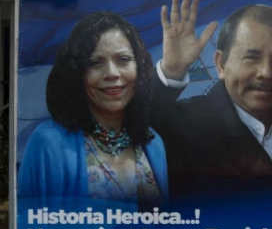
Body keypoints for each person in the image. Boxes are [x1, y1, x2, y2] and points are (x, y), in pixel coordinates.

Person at [150, 0, 272, 199]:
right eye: (251, 57)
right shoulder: (184, 122)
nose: (266, 72)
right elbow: (133, 129)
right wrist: (172, 71)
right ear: (221, 64)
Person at [18, 11, 169, 210]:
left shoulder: (153, 144)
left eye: (123, 59)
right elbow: (33, 225)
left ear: (139, 68)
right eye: (95, 63)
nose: (112, 73)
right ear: (77, 73)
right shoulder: (49, 143)